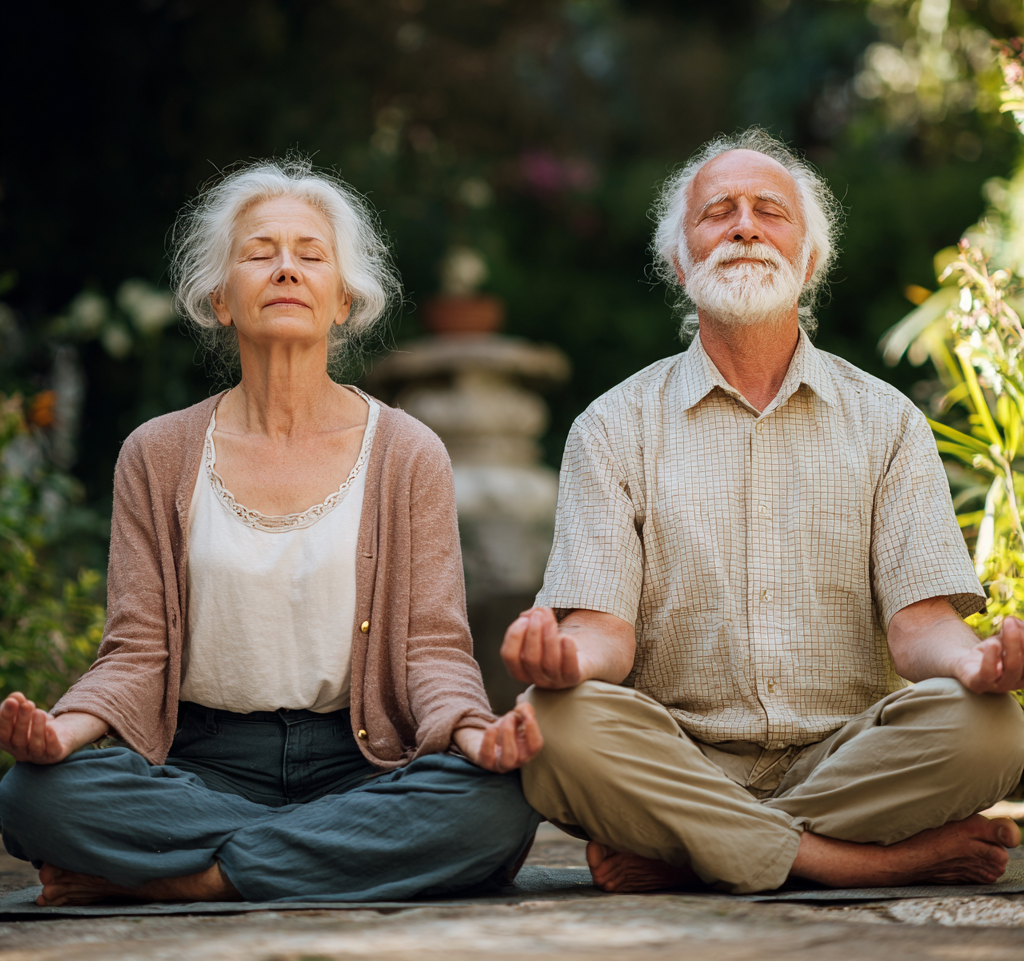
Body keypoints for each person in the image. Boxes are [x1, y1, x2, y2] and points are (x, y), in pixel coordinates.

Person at [0, 157, 541, 906]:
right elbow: (136, 652)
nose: (286, 269)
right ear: (221, 299)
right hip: (202, 768)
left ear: (344, 300)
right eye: (260, 253)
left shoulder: (408, 452)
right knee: (32, 796)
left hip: (362, 761)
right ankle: (329, 860)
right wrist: (62, 734)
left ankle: (192, 880)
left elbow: (431, 650)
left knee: (500, 803)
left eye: (310, 255)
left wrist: (476, 735)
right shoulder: (156, 454)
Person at [500, 127, 1024, 896]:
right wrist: (564, 660)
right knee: (553, 726)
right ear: (681, 262)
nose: (744, 224)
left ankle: (689, 850)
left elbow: (920, 626)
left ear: (809, 260)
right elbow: (603, 631)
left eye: (769, 210)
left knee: (993, 728)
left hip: (847, 759)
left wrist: (974, 662)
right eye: (719, 211)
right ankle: (858, 863)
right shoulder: (611, 427)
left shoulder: (887, 422)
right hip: (677, 754)